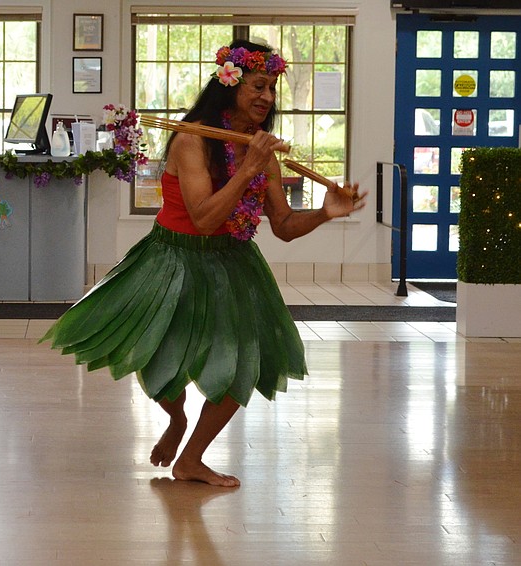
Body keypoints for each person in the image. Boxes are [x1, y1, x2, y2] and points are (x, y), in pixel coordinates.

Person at [41, 39, 365, 488]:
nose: (266, 97)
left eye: (271, 88)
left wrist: (328, 212)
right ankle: (176, 420)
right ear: (228, 84)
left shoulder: (261, 150)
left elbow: (285, 225)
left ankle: (191, 458)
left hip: (232, 263)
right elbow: (204, 215)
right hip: (173, 258)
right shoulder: (192, 140)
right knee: (160, 358)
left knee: (243, 364)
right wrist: (248, 169)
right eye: (257, 85)